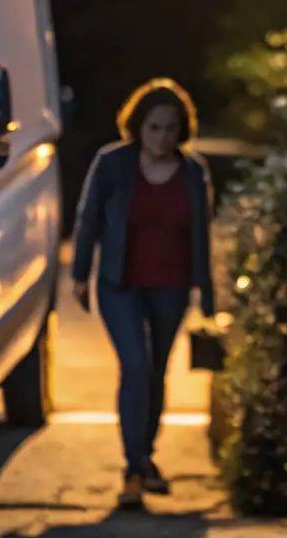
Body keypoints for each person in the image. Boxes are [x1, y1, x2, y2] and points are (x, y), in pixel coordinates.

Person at [72, 79, 216, 509]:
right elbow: (88, 219)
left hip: (171, 287)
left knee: (156, 373)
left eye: (171, 128)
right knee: (134, 366)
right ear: (139, 127)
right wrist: (79, 273)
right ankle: (133, 468)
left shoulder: (193, 173)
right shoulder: (112, 163)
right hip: (120, 285)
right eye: (154, 127)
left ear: (181, 130)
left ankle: (146, 456)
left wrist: (207, 295)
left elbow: (201, 237)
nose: (162, 137)